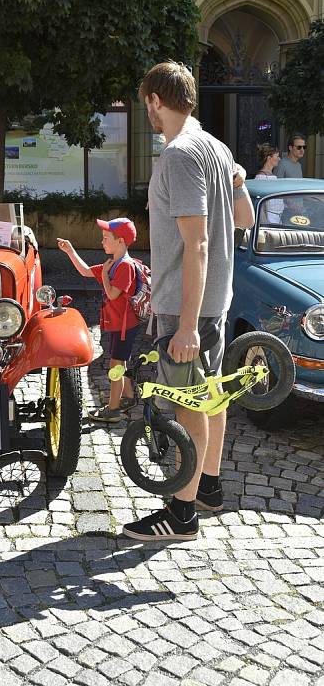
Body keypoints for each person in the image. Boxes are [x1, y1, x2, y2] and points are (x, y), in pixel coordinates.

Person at [123, 61, 255, 543]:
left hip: (188, 306)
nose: (149, 116)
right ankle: (210, 488)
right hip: (215, 299)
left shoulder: (179, 153)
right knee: (213, 394)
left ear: (156, 100)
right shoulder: (217, 149)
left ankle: (181, 514)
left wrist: (187, 327)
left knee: (188, 405)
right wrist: (237, 181)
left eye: (147, 107)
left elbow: (196, 243)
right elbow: (243, 219)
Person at [57, 218, 141, 422]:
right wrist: (70, 251)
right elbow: (86, 271)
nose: (102, 242)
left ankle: (113, 409)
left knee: (116, 365)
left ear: (120, 241)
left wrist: (104, 275)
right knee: (120, 360)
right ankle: (128, 396)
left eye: (106, 238)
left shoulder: (124, 267)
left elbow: (113, 294)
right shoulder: (113, 263)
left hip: (124, 326)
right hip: (119, 325)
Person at [254, 144, 284, 224]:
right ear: (269, 158)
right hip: (269, 220)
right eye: (277, 156)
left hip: (278, 219)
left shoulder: (273, 176)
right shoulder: (261, 178)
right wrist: (265, 224)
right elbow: (260, 204)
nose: (279, 159)